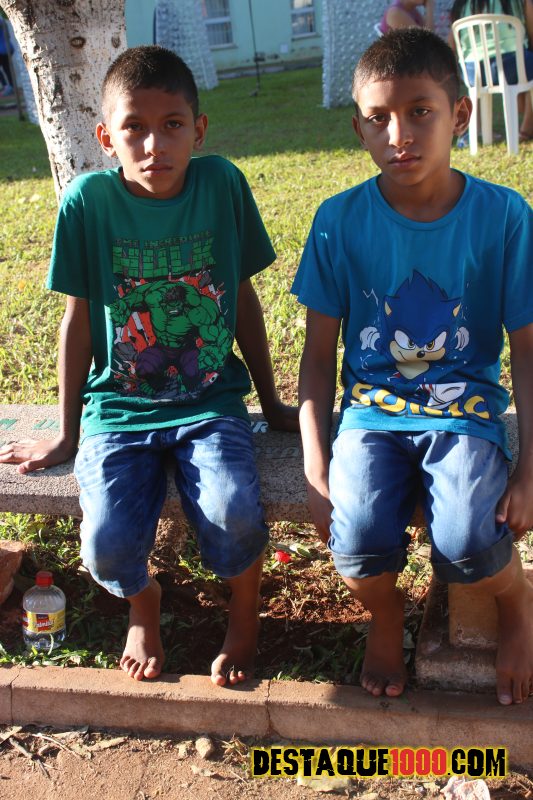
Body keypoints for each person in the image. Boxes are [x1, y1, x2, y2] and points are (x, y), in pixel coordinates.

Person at [0, 45, 297, 684]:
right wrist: (68, 432)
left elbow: (243, 297)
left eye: (172, 125)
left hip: (210, 403)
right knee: (105, 542)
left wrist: (271, 403)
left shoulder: (222, 185)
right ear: (107, 137)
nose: (154, 144)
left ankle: (245, 610)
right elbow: (78, 322)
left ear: (199, 130)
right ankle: (143, 603)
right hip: (119, 408)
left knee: (232, 511)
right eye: (134, 127)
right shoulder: (88, 202)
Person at [293, 27, 533, 705]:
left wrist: (528, 472)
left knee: (466, 541)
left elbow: (527, 350)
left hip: (464, 412)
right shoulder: (338, 221)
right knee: (354, 543)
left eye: (419, 111)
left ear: (459, 113)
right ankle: (385, 612)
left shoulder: (504, 217)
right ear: (358, 129)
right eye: (378, 118)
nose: (398, 134)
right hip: (371, 415)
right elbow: (316, 358)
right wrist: (314, 464)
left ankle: (517, 601)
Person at [450, 0, 533, 140]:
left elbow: (452, 44)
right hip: (512, 66)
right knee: (526, 63)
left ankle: (479, 129)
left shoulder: (461, 4)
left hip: (473, 72)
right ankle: (526, 128)